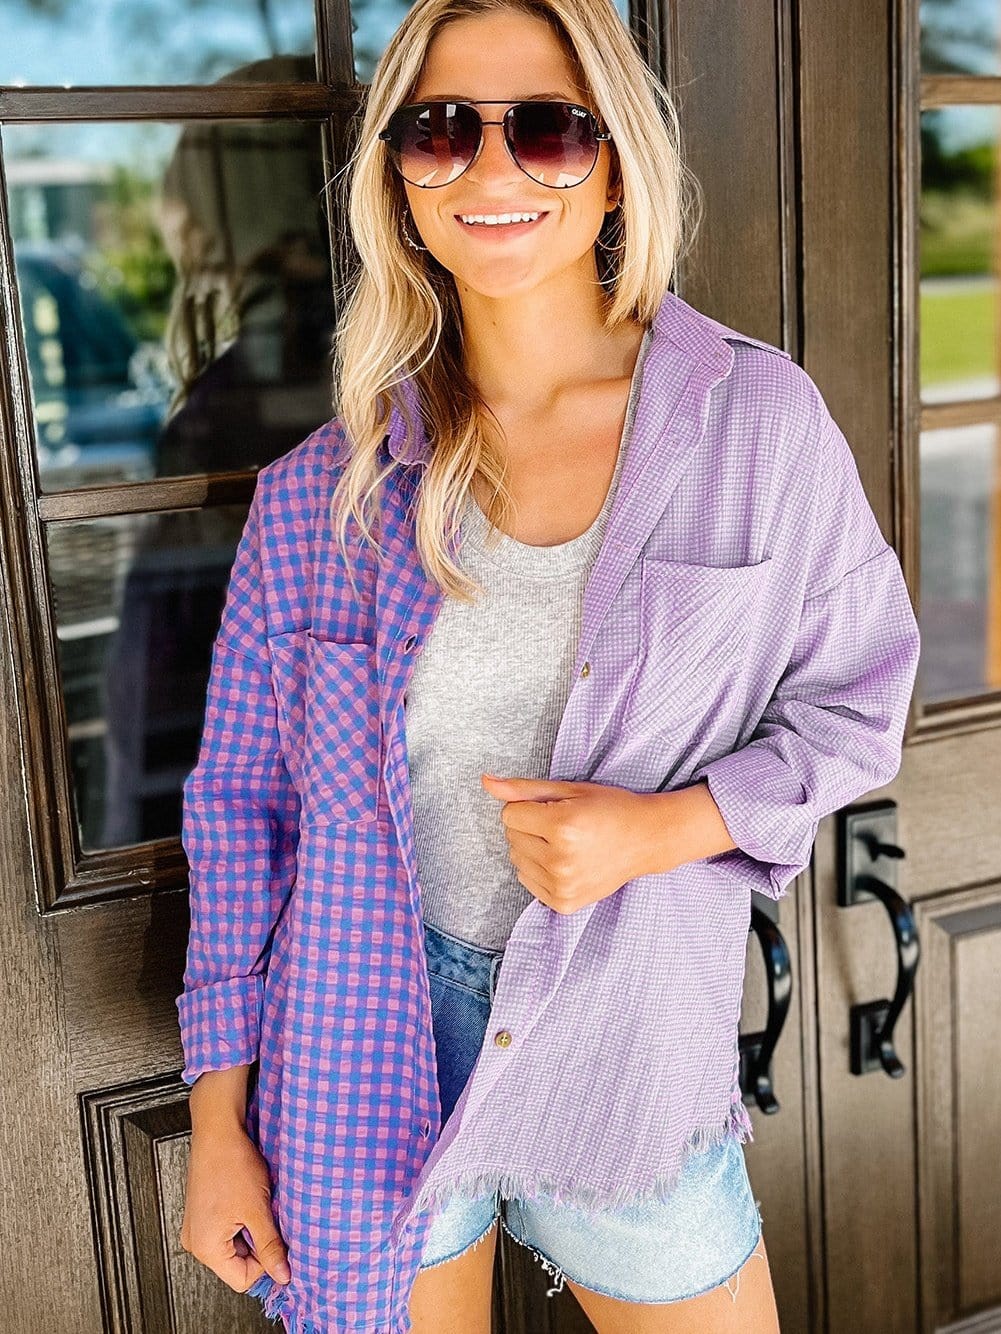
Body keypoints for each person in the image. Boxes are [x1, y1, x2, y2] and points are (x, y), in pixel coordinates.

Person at [175, 1, 922, 1331]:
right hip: (358, 1036)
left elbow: (855, 705)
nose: (493, 169)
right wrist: (218, 1121)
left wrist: (662, 828)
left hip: (620, 1032)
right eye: (442, 130)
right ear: (398, 177)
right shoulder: (321, 496)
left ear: (616, 158)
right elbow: (241, 821)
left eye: (549, 128)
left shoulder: (755, 426)